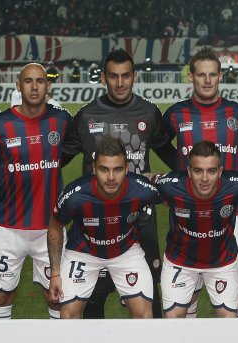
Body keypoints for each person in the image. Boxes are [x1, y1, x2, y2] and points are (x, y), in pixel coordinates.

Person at [62, 49, 177, 319]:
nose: (120, 82)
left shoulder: (149, 112)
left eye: (126, 75)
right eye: (113, 76)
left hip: (140, 217)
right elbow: (58, 159)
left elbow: (169, 154)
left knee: (149, 292)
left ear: (134, 77)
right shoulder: (87, 116)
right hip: (96, 220)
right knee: (93, 297)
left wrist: (200, 179)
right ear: (104, 78)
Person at [0, 63, 72, 319]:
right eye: (28, 81)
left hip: (50, 229)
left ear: (48, 85)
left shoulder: (62, 120)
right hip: (7, 228)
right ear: (18, 85)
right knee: (2, 295)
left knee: (57, 298)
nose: (34, 87)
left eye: (40, 81)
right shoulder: (0, 124)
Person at [162, 46, 238, 318]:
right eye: (201, 75)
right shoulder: (176, 114)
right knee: (190, 291)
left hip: (231, 213)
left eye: (212, 74)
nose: (207, 80)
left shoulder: (237, 113)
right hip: (186, 213)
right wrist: (180, 169)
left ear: (220, 76)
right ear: (191, 77)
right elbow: (163, 146)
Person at [154, 141, 238, 318]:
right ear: (188, 171)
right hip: (180, 262)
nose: (204, 178)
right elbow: (146, 179)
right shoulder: (171, 184)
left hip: (222, 263)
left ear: (220, 171)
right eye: (198, 170)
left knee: (227, 324)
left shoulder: (233, 184)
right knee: (173, 321)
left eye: (211, 171)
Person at [48, 137, 159, 319]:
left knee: (144, 317)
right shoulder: (75, 196)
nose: (111, 178)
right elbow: (54, 227)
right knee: (68, 317)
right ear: (93, 168)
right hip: (83, 252)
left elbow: (176, 197)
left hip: (126, 251)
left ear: (127, 167)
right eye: (103, 169)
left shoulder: (142, 189)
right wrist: (55, 273)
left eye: (118, 169)